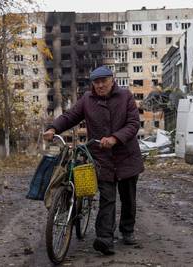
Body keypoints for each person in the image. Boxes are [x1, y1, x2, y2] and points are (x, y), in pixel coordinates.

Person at [43, 66, 144, 255]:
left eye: (103, 81)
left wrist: (115, 138)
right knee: (107, 198)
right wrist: (53, 128)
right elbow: (70, 116)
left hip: (126, 156)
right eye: (96, 82)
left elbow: (133, 124)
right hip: (102, 157)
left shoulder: (125, 97)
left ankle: (127, 230)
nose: (100, 85)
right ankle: (105, 238)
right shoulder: (87, 100)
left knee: (128, 197)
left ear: (112, 80)